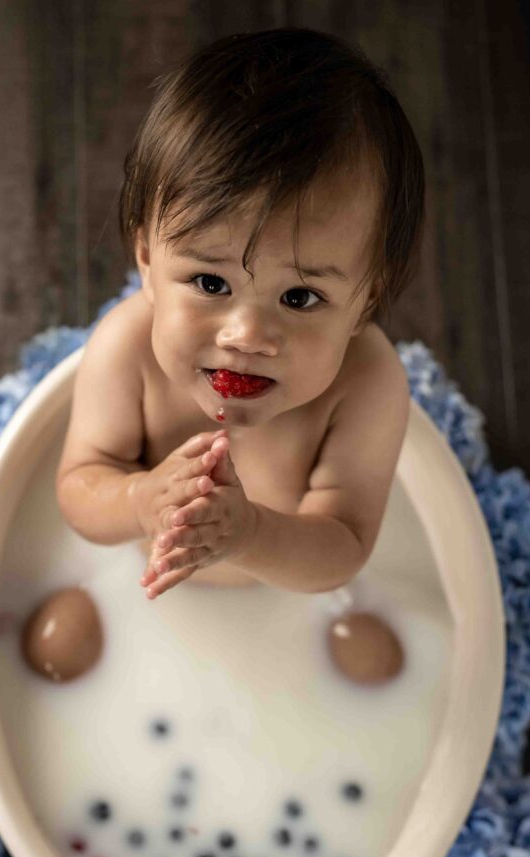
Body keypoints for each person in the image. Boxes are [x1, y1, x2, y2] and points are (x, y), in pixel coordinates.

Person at [56, 27, 425, 599]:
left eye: (299, 297)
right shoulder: (125, 348)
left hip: (276, 592)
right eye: (210, 282)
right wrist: (139, 498)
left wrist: (247, 533)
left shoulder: (367, 385)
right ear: (148, 261)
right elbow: (80, 487)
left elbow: (343, 548)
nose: (247, 335)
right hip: (142, 585)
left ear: (366, 300)